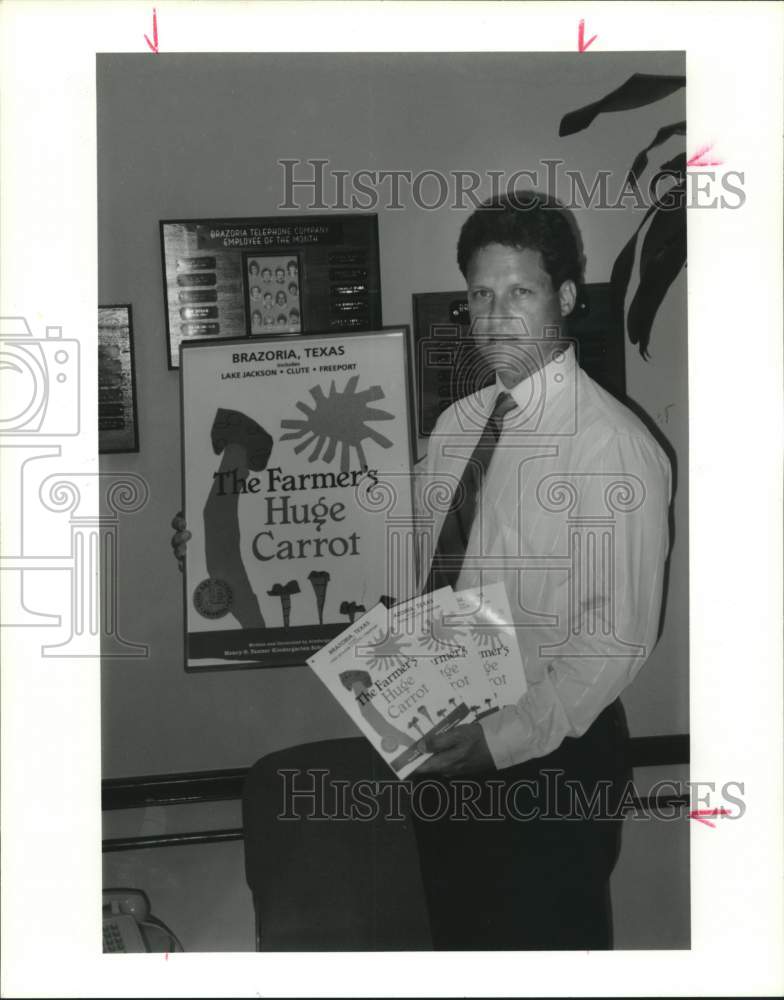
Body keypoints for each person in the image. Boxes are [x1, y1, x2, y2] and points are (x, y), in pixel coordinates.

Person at [408, 190, 671, 950]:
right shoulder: (458, 429)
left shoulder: (610, 447)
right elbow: (436, 578)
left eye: (518, 292)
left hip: (550, 762)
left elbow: (613, 643)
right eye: (480, 295)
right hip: (446, 742)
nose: (494, 318)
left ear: (564, 297)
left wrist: (499, 741)